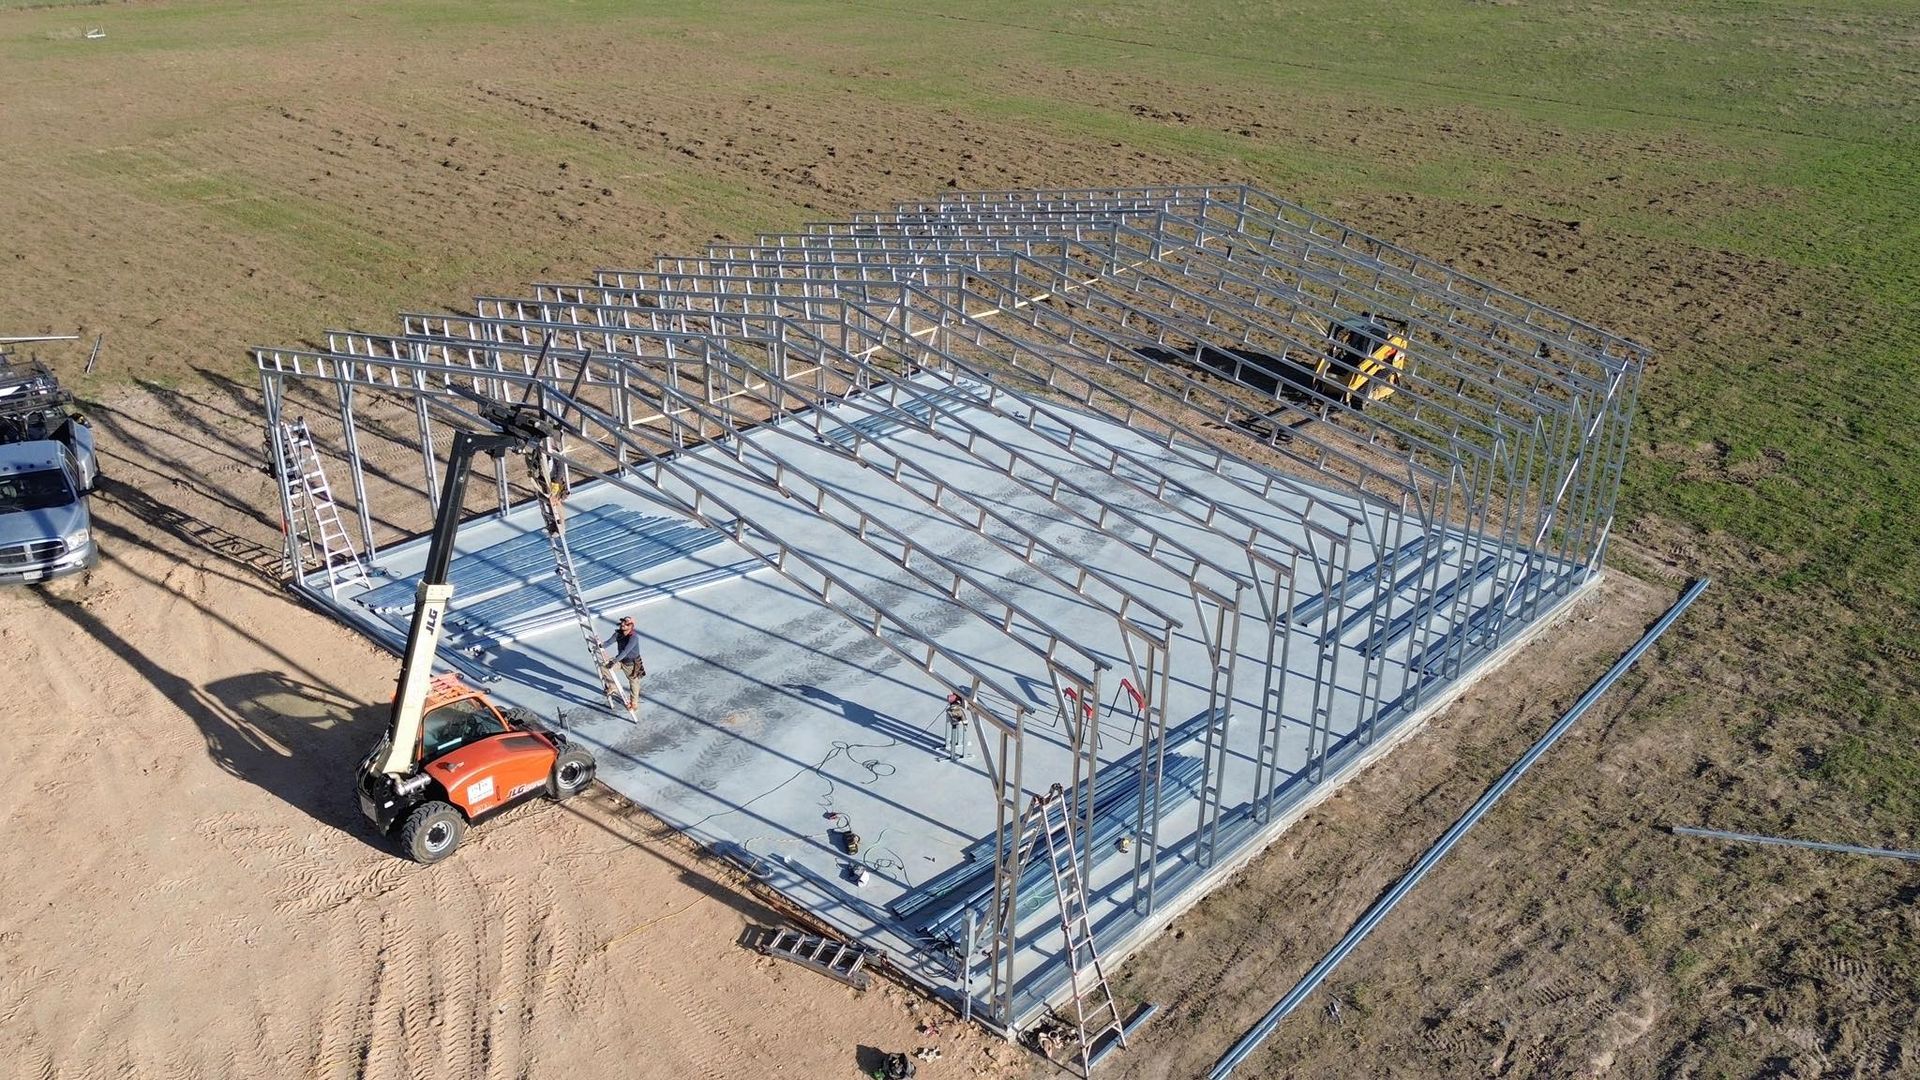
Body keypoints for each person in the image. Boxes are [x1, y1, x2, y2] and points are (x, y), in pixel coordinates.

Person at [602, 616, 646, 711]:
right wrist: (598, 646)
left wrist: (613, 661)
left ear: (631, 626)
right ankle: (612, 687)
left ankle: (634, 703)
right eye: (622, 622)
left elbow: (625, 651)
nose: (623, 625)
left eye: (626, 624)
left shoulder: (633, 637)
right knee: (604, 667)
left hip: (631, 664)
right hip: (620, 660)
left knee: (633, 682)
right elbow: (608, 643)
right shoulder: (618, 634)